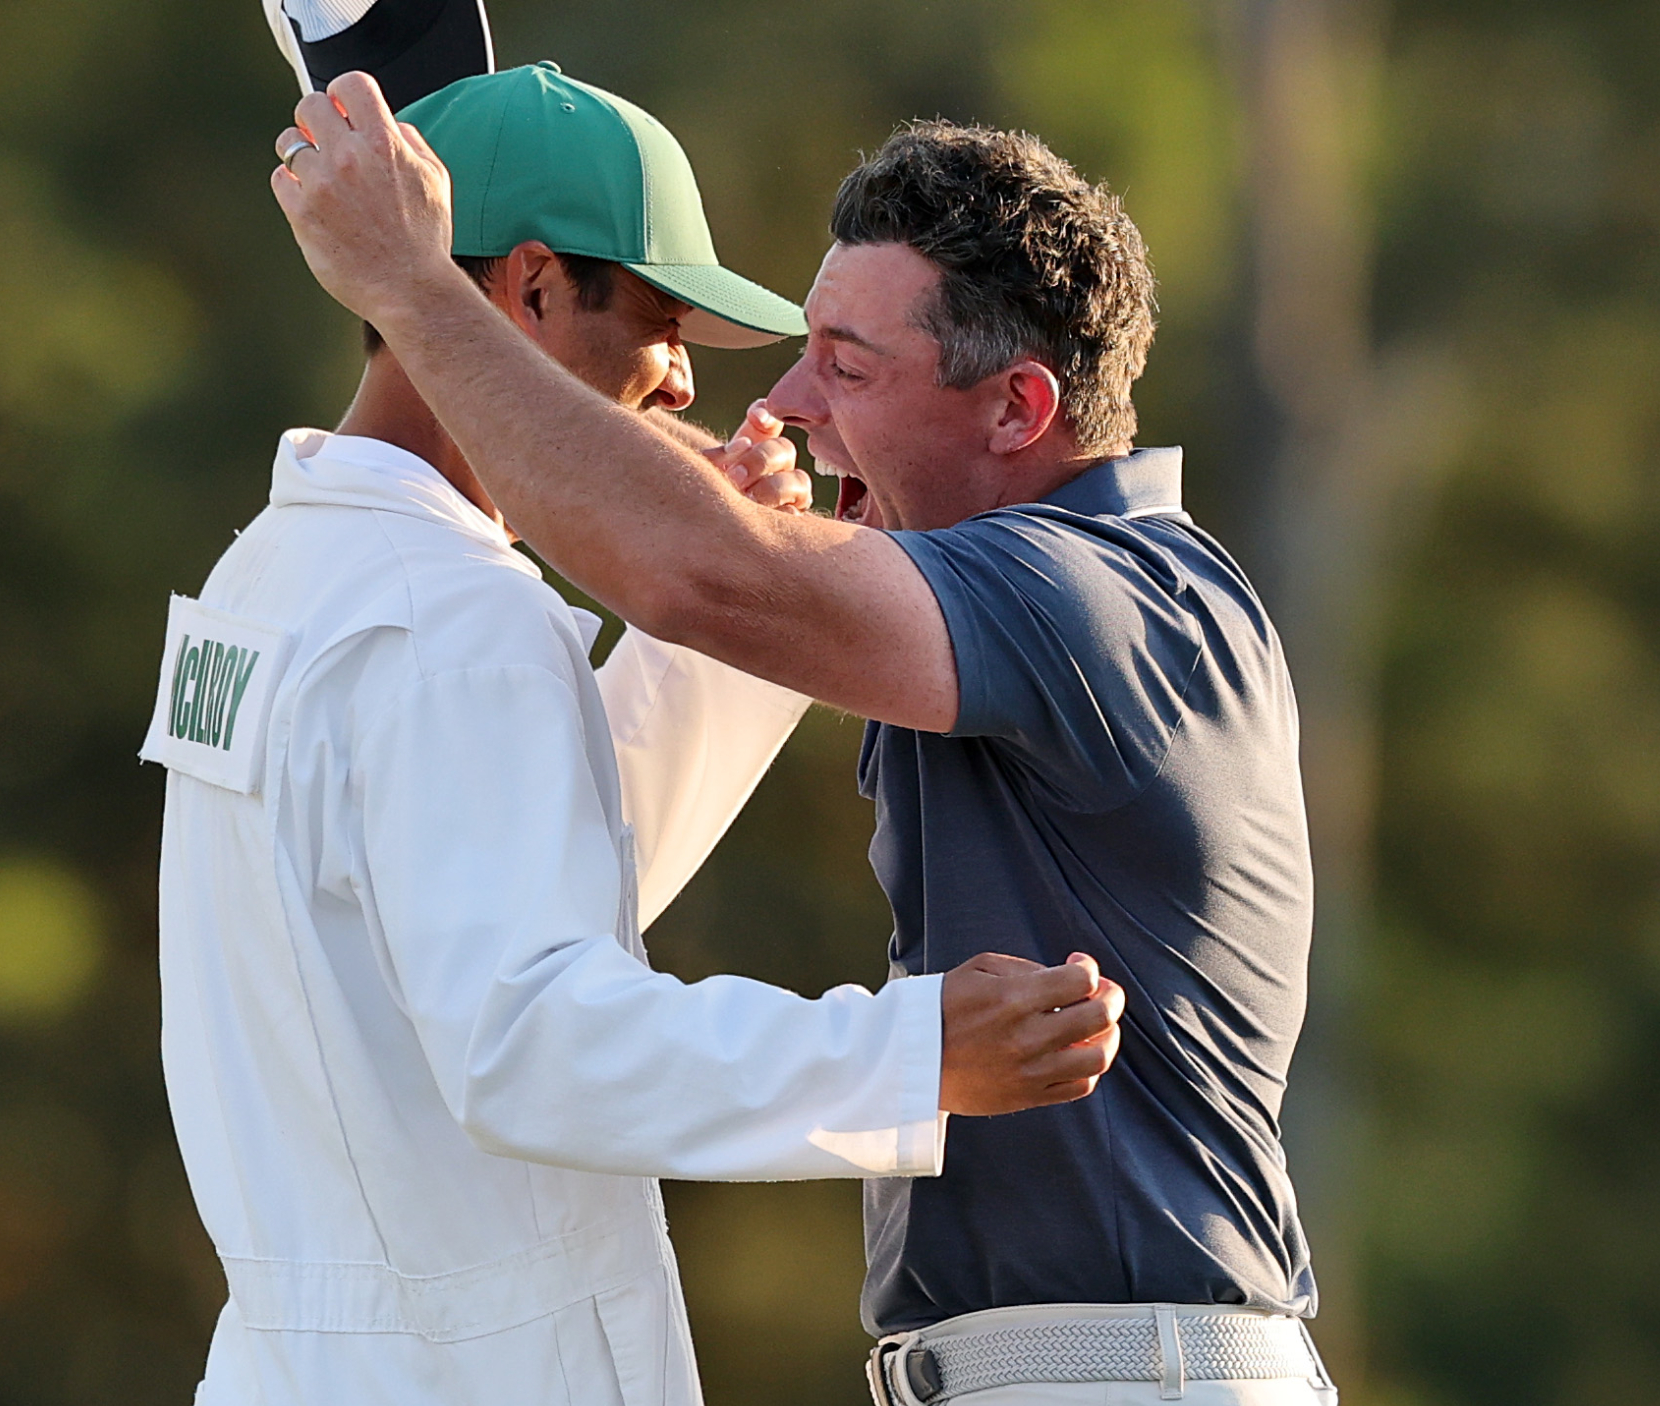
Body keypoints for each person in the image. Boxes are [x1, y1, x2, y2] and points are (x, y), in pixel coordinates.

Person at [271, 73, 1338, 1406]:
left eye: (846, 364)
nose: (786, 403)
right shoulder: (1067, 584)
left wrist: (415, 288)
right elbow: (614, 804)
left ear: (1016, 410)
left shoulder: (1092, 592)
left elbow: (700, 575)